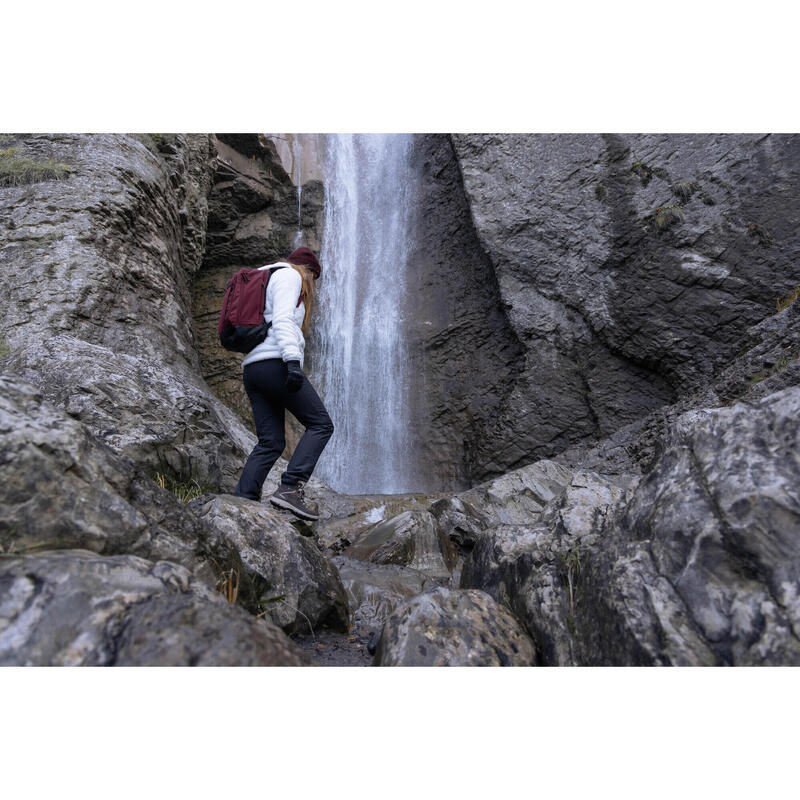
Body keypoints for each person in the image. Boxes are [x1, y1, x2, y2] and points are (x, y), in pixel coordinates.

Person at [234, 247, 333, 520]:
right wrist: (292, 362)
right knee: (321, 424)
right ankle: (290, 488)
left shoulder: (265, 277)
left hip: (253, 369)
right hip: (276, 363)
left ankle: (243, 499)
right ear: (310, 271)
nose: (311, 286)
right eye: (313, 279)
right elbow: (283, 319)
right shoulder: (290, 276)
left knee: (271, 442)